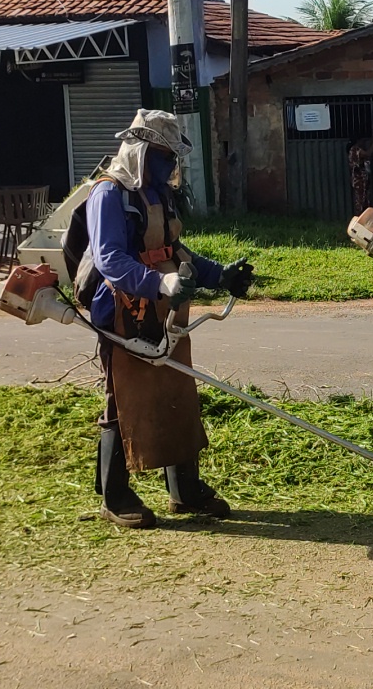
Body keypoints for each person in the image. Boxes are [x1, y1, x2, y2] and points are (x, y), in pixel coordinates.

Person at [87, 109, 254, 529]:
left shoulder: (157, 193)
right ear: (139, 150)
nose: (170, 164)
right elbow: (110, 260)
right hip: (121, 310)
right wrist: (158, 283)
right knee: (122, 398)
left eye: (173, 157)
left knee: (176, 388)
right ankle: (114, 496)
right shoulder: (109, 194)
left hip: (165, 305)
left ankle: (185, 490)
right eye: (164, 156)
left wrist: (219, 276)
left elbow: (174, 250)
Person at [348, 129, 373, 216]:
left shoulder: (353, 149)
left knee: (364, 200)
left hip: (360, 180)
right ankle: (360, 219)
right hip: (359, 180)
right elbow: (368, 154)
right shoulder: (355, 149)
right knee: (361, 201)